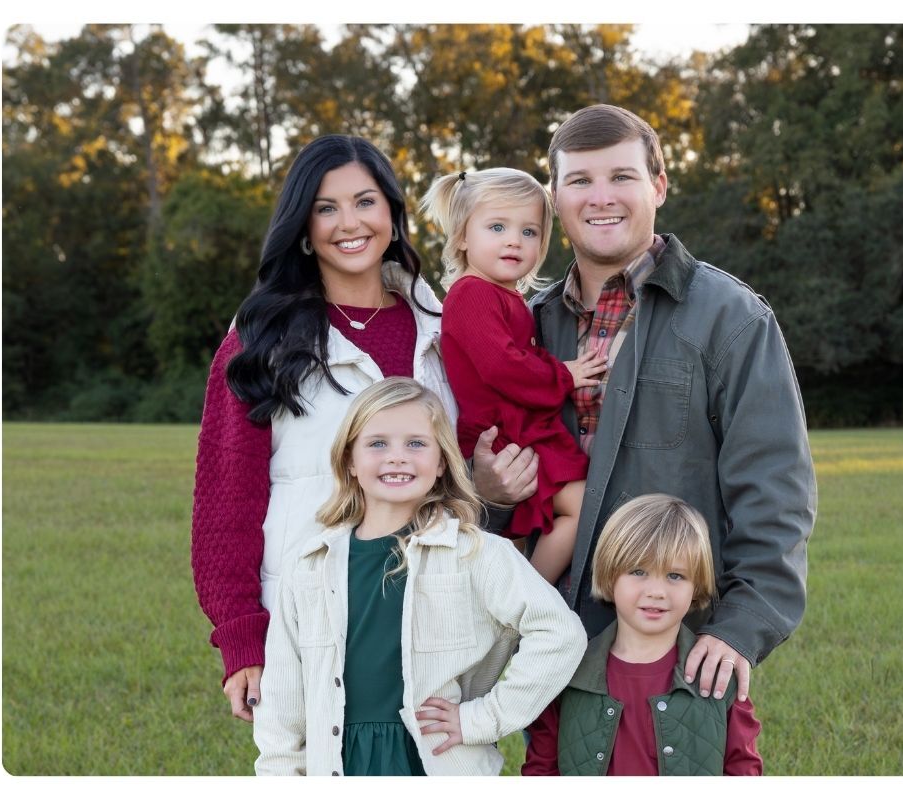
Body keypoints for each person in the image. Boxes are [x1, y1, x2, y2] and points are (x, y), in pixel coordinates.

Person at [474, 104, 817, 704]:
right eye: (580, 180)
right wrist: (491, 496)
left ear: (658, 185)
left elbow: (775, 488)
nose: (600, 197)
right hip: (558, 649)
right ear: (555, 198)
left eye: (622, 177)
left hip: (680, 647)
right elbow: (488, 489)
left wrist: (742, 626)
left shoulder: (731, 318)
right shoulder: (521, 329)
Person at [190, 135, 460, 723]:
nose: (349, 223)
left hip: (436, 616)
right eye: (325, 207)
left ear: (392, 211)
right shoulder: (262, 339)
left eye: (365, 201)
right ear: (304, 226)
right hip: (309, 617)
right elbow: (225, 500)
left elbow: (460, 468)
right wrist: (241, 638)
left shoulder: (442, 331)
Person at [253, 377, 587, 775]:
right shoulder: (308, 564)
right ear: (349, 462)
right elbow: (283, 696)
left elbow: (560, 634)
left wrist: (482, 717)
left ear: (442, 461)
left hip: (437, 759)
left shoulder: (476, 552)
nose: (397, 457)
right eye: (377, 443)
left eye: (416, 443)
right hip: (338, 761)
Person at [421, 168, 607, 583]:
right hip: (504, 435)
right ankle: (533, 603)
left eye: (529, 232)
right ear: (463, 237)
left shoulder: (503, 295)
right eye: (498, 227)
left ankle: (512, 603)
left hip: (520, 429)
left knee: (519, 533)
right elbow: (502, 365)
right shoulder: (470, 294)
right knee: (580, 504)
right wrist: (563, 375)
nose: (514, 240)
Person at [522, 494, 762, 776]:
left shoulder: (718, 675)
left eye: (675, 575)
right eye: (638, 571)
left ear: (696, 585)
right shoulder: (568, 674)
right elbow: (541, 770)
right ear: (611, 577)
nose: (656, 591)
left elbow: (744, 770)